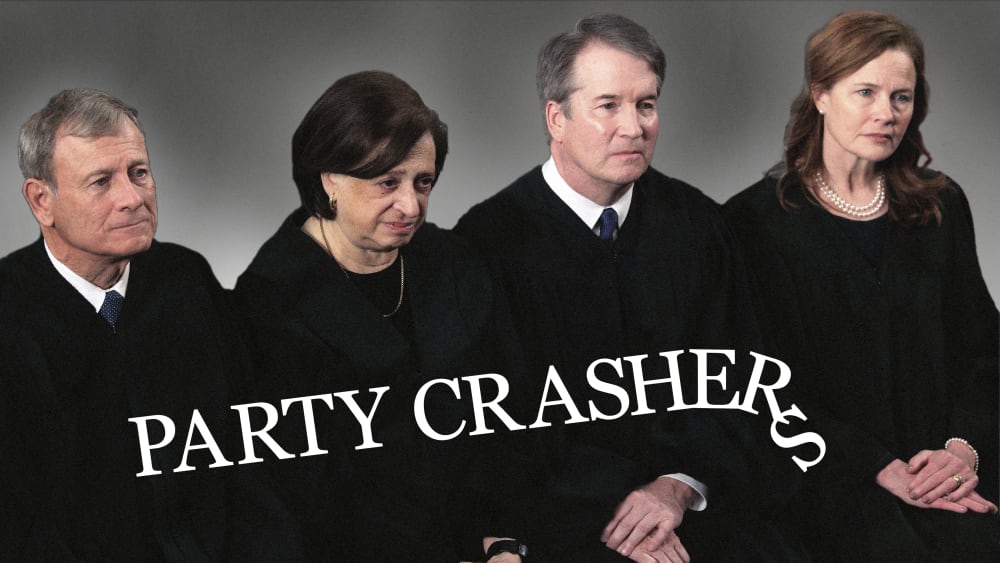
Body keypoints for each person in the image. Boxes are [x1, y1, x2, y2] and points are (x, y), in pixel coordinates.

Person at [455, 13, 803, 563]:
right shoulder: (487, 242)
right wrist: (619, 513)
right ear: (557, 118)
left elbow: (748, 383)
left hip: (696, 502)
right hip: (557, 516)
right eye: (608, 105)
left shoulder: (701, 227)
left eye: (646, 104)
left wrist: (677, 486)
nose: (634, 126)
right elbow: (490, 424)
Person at [724, 10, 999, 561]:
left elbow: (983, 347)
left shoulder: (942, 204)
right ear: (821, 94)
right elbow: (754, 380)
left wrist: (962, 450)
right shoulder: (752, 222)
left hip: (945, 467)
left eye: (902, 97)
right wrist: (872, 465)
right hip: (827, 477)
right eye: (866, 92)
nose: (886, 113)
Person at [233, 71, 530, 562]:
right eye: (387, 182)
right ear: (330, 177)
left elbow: (508, 418)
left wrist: (504, 539)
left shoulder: (456, 264)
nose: (411, 205)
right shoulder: (268, 301)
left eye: (424, 182)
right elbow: (295, 496)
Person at [0, 88, 297, 559]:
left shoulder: (186, 280)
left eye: (139, 173)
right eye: (101, 182)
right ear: (42, 202)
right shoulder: (10, 315)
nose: (133, 198)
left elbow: (252, 453)